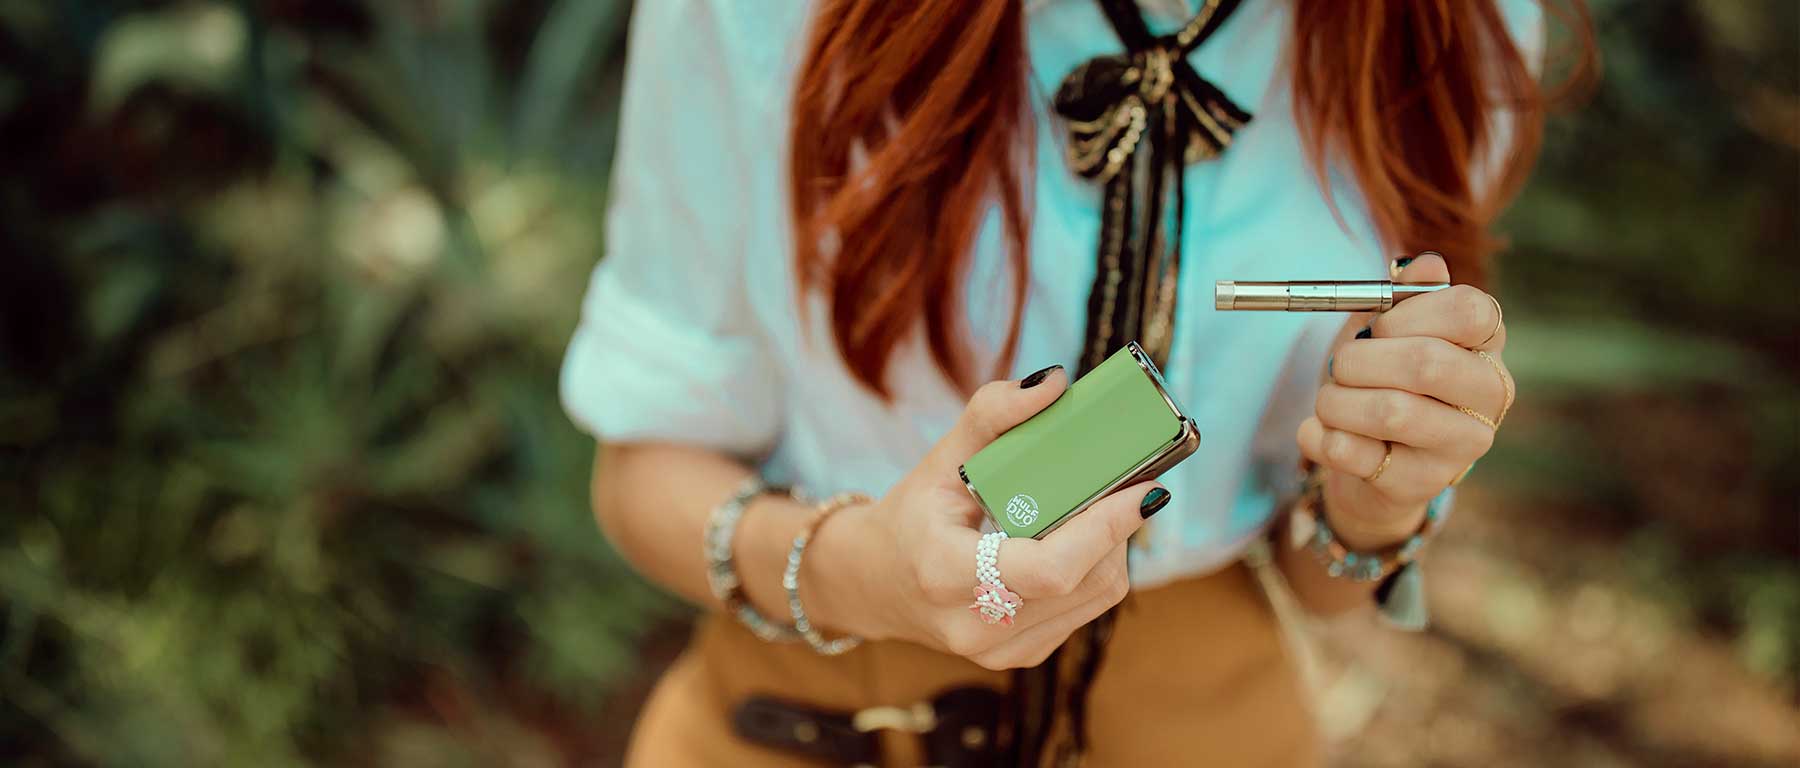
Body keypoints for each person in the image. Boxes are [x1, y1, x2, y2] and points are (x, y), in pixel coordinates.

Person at [560, 0, 1587, 764]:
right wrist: (865, 572)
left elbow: (1325, 588)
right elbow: (639, 473)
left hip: (1212, 731)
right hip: (808, 724)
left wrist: (1379, 495)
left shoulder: (1460, 27)